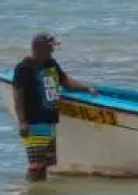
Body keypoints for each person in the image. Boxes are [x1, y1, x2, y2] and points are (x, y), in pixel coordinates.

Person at [12, 32, 96, 182]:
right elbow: (18, 96)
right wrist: (22, 122)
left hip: (50, 121)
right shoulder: (24, 68)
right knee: (35, 165)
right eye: (50, 48)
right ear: (39, 48)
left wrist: (86, 88)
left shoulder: (51, 63)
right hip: (34, 122)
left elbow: (65, 81)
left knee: (45, 164)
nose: (52, 51)